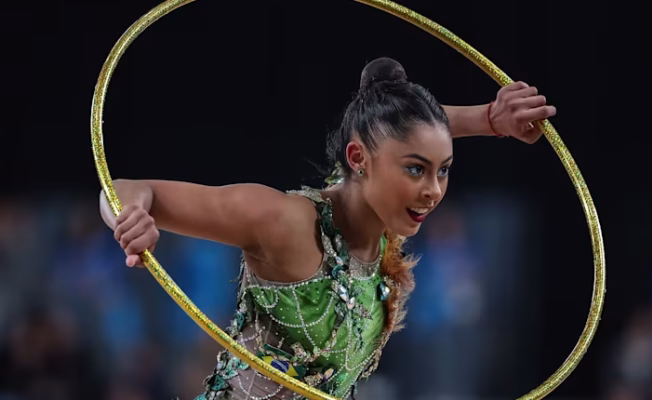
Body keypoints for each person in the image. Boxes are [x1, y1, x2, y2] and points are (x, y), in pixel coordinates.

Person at [100, 57, 556, 399]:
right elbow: (125, 188)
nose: (434, 191)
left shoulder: (380, 223)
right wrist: (131, 215)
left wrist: (489, 120)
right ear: (358, 160)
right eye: (417, 171)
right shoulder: (286, 223)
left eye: (444, 171)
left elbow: (405, 133)